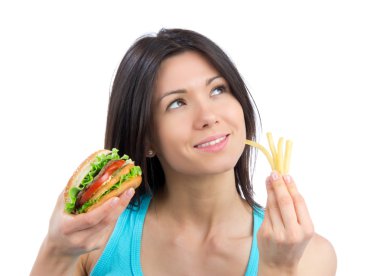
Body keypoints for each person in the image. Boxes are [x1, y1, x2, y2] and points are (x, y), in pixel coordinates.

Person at [31, 28, 337, 275]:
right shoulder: (96, 238)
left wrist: (279, 268)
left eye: (218, 89)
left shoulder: (307, 256)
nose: (209, 116)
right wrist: (57, 249)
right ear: (147, 137)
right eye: (177, 103)